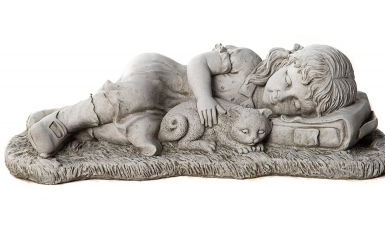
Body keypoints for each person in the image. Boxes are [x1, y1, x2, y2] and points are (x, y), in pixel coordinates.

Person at [27, 43, 357, 158]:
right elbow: (199, 62)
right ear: (285, 61)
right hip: (164, 80)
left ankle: (75, 125)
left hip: (171, 116)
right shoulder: (246, 62)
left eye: (295, 104)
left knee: (143, 133)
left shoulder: (263, 116)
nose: (279, 95)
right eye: (286, 81)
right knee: (136, 96)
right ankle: (62, 123)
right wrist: (204, 98)